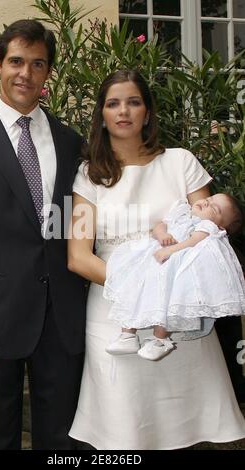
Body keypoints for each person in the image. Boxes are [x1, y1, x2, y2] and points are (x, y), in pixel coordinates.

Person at [67, 69, 245, 450]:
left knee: (185, 425)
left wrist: (164, 291)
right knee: (123, 429)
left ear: (147, 112)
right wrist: (137, 287)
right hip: (115, 309)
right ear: (101, 113)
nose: (123, 111)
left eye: (133, 101)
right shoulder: (88, 175)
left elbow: (209, 238)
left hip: (178, 305)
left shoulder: (182, 162)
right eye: (113, 103)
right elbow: (79, 257)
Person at [0, 19, 86, 450]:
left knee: (63, 440)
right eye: (17, 61)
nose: (25, 73)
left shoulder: (70, 142)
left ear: (48, 73)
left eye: (37, 63)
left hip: (61, 319)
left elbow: (68, 226)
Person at [104, 194, 245, 360]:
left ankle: (160, 340)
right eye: (210, 198)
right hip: (152, 260)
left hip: (173, 267)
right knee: (136, 293)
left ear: (220, 227)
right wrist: (162, 234)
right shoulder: (182, 213)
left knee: (166, 302)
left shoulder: (207, 227)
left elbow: (193, 242)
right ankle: (127, 335)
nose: (206, 202)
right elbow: (160, 225)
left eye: (214, 208)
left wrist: (170, 250)